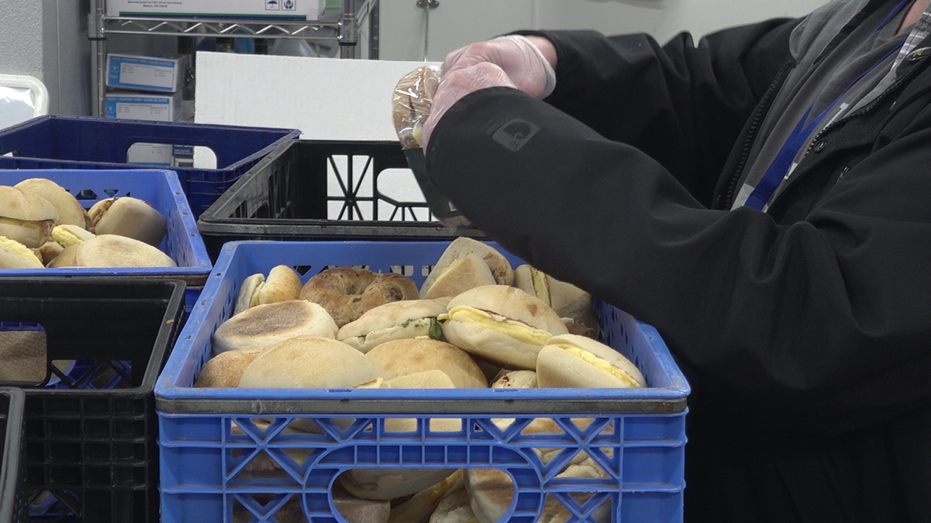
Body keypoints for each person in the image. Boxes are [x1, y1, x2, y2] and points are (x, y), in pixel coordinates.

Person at [418, 0, 931, 521]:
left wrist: (503, 141)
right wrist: (556, 68)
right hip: (714, 447)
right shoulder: (880, 16)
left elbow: (811, 314)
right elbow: (713, 91)